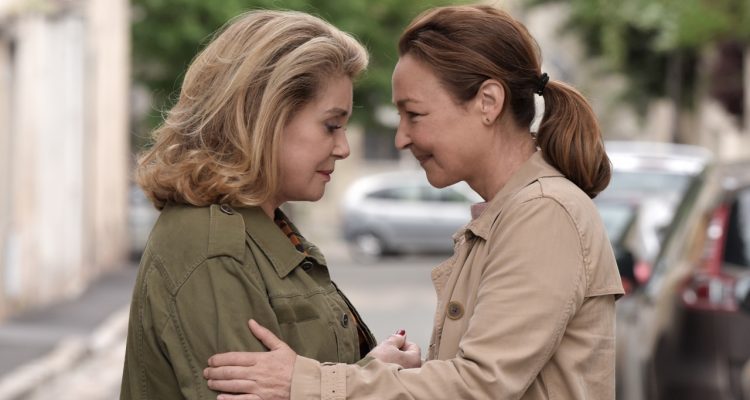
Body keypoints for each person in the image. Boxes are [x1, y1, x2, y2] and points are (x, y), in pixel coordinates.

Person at [203, 4, 625, 400]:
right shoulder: (513, 212)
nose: (401, 138)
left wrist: (307, 382)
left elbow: (478, 385)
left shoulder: (544, 213)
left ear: (488, 102)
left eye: (415, 115)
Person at [119, 10, 379, 399]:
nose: (341, 148)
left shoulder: (263, 227)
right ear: (266, 118)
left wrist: (378, 374)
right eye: (331, 125)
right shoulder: (213, 247)